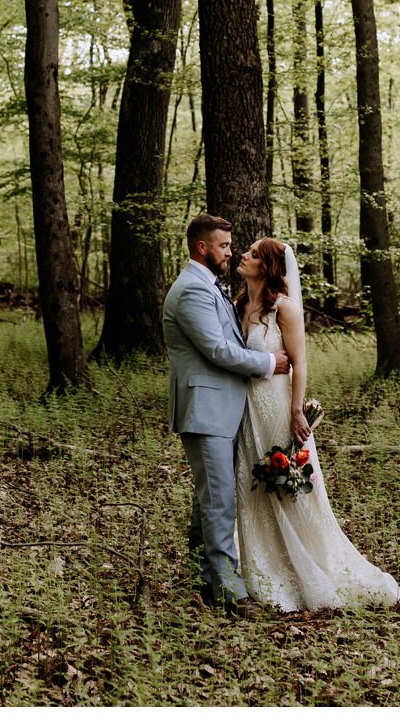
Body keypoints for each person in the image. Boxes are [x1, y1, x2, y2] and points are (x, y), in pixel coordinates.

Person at [233, 235, 400, 611]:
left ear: (268, 267)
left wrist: (297, 411)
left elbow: (300, 362)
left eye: (253, 254)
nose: (243, 255)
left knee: (288, 490)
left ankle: (311, 568)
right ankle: (261, 568)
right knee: (252, 488)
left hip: (277, 408)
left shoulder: (285, 309)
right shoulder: (238, 305)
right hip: (246, 411)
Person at [163, 213, 288, 616]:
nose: (230, 253)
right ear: (202, 247)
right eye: (224, 246)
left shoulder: (208, 286)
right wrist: (268, 363)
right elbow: (218, 350)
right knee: (219, 502)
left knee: (209, 501)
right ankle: (230, 595)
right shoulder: (191, 291)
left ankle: (202, 580)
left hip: (220, 409)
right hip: (206, 410)